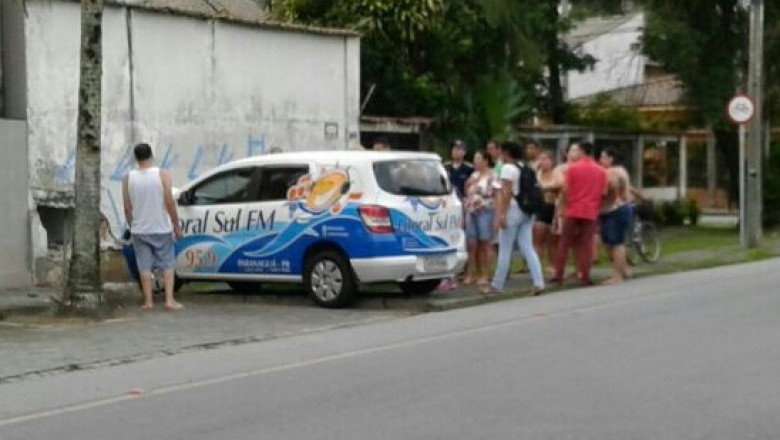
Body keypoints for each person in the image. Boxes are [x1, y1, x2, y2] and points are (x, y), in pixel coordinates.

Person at [122, 143, 184, 310]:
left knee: (144, 265)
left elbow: (127, 207)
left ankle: (148, 302)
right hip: (161, 227)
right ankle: (169, 300)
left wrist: (132, 223)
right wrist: (176, 224)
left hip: (139, 229)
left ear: (136, 158)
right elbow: (170, 203)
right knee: (167, 264)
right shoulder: (163, 175)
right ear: (151, 155)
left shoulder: (128, 178)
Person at [482, 142, 545, 296]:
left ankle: (497, 285)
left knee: (504, 248)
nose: (499, 154)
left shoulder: (507, 169)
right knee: (527, 247)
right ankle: (539, 282)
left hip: (513, 210)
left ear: (506, 153)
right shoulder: (523, 166)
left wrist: (501, 215)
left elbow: (506, 193)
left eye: (501, 151)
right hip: (526, 211)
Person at [550, 142, 608, 287]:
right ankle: (584, 276)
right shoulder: (601, 171)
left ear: (582, 151)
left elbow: (566, 189)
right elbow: (604, 192)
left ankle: (558, 274)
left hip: (573, 208)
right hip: (590, 210)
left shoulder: (572, 168)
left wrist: (562, 207)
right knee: (586, 244)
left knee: (564, 242)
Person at [598, 148, 633, 284]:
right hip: (617, 209)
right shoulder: (621, 170)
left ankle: (617, 276)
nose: (600, 160)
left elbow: (608, 190)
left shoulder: (612, 172)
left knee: (616, 243)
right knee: (611, 242)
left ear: (611, 159)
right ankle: (623, 270)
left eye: (603, 157)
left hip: (615, 209)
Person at [462, 150, 497, 286]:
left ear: (485, 160)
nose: (475, 162)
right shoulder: (474, 175)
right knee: (472, 243)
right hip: (471, 210)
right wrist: (469, 184)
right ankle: (471, 273)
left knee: (485, 243)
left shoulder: (493, 176)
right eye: (475, 159)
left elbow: (494, 194)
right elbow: (467, 190)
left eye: (478, 159)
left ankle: (486, 274)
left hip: (485, 210)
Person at [533, 149, 558, 276]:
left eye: (545, 159)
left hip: (553, 208)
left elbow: (557, 186)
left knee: (553, 241)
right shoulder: (536, 174)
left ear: (552, 161)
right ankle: (536, 267)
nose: (542, 162)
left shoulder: (556, 174)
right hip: (540, 208)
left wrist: (544, 187)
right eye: (540, 159)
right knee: (538, 239)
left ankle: (553, 265)